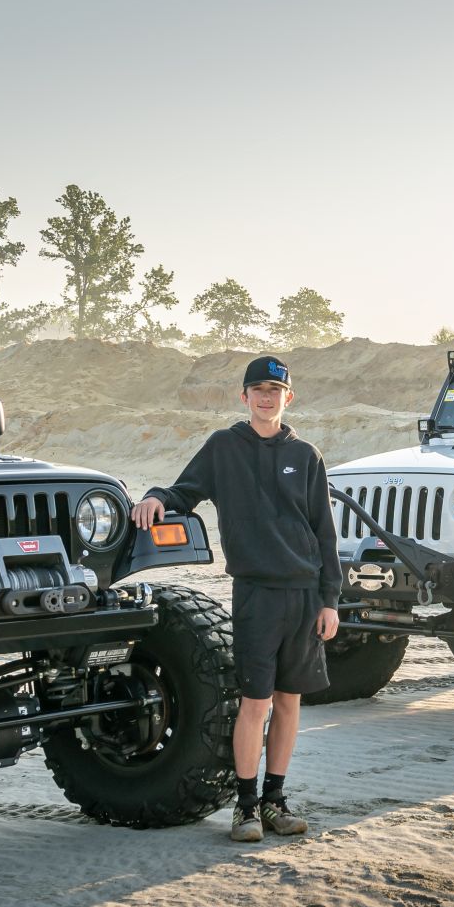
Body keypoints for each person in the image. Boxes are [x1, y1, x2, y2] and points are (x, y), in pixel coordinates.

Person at [131, 355, 342, 842]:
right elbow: (185, 490)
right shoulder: (224, 447)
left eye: (275, 389)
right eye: (258, 389)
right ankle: (245, 807)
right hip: (256, 595)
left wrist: (329, 600)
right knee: (255, 702)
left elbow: (324, 534)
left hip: (304, 596)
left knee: (290, 704)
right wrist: (156, 497)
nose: (267, 397)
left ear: (289, 397)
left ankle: (274, 801)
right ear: (243, 397)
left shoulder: (306, 455)